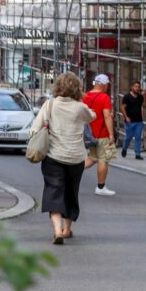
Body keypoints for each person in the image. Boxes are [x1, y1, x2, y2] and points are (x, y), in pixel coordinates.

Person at [31, 72, 95, 244]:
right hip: (75, 158)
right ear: (77, 88)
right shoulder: (79, 107)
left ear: (58, 86)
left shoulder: (50, 104)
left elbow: (34, 128)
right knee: (71, 192)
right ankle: (67, 229)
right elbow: (91, 116)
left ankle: (56, 230)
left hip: (53, 156)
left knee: (53, 190)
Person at [83, 74, 117, 196]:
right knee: (104, 159)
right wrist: (111, 134)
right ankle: (101, 187)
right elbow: (107, 116)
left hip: (90, 134)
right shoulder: (104, 97)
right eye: (107, 84)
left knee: (92, 158)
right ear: (102, 84)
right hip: (102, 134)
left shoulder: (86, 96)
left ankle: (70, 170)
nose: (108, 86)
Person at [121, 80, 146, 160]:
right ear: (132, 87)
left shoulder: (140, 97)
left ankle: (137, 154)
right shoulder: (127, 97)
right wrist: (126, 117)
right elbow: (123, 107)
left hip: (139, 121)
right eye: (135, 86)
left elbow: (145, 106)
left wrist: (145, 95)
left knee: (138, 137)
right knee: (128, 137)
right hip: (129, 121)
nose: (137, 88)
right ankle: (124, 148)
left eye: (138, 87)